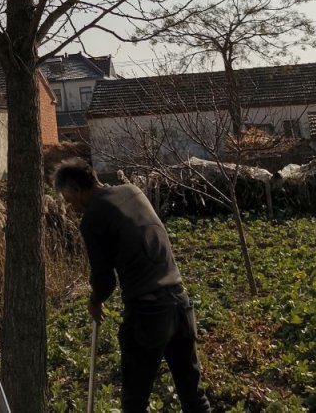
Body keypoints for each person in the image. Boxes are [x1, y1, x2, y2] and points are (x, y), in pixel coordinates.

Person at [54, 158, 211, 413]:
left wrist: (95, 301)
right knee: (193, 396)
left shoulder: (93, 217)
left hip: (148, 312)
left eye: (69, 201)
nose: (71, 208)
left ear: (77, 190)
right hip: (180, 303)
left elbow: (105, 279)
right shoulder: (131, 191)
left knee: (135, 402)